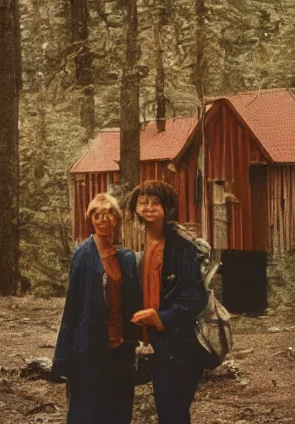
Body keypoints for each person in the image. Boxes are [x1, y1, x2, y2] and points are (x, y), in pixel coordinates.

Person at [53, 192, 141, 424]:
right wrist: (65, 356)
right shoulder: (83, 255)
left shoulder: (126, 257)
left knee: (119, 405)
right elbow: (73, 305)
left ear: (117, 219)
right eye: (98, 214)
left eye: (110, 213)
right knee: (89, 406)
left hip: (121, 344)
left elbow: (134, 301)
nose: (104, 219)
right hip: (91, 345)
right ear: (90, 219)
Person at [128, 180, 208, 424]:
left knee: (173, 411)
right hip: (156, 343)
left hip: (181, 342)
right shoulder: (144, 243)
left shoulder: (182, 245)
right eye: (143, 202)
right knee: (167, 410)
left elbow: (196, 297)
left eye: (155, 202)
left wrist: (161, 318)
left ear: (168, 208)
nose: (149, 207)